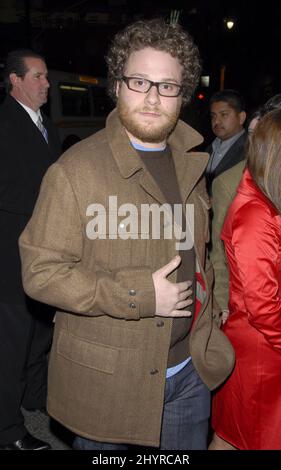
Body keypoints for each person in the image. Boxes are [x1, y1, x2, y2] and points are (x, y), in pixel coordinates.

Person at [19, 18, 234, 451]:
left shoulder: (193, 164)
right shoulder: (74, 171)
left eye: (167, 86)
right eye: (140, 81)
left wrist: (218, 305)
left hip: (189, 373)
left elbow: (207, 251)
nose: (153, 97)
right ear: (117, 86)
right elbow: (40, 273)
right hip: (110, 384)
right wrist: (137, 294)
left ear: (183, 94)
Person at [209, 108, 281, 450]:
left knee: (237, 433)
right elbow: (263, 304)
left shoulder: (266, 201)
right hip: (262, 349)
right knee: (252, 434)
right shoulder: (255, 213)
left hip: (263, 342)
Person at [0, 49, 61, 450]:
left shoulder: (48, 127)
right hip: (11, 255)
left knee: (39, 333)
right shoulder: (3, 124)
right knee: (11, 344)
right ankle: (6, 430)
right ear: (15, 81)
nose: (46, 84)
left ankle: (33, 397)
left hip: (45, 253)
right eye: (38, 76)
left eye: (45, 76)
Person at [210, 94, 281, 319]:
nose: (256, 143)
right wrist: (221, 302)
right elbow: (217, 249)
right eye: (253, 135)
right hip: (249, 310)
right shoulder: (230, 183)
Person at [205, 89, 247, 194]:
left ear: (241, 117)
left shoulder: (251, 151)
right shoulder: (209, 150)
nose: (216, 121)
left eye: (224, 115)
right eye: (213, 116)